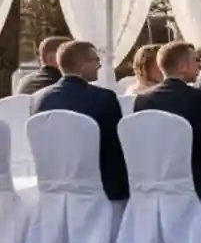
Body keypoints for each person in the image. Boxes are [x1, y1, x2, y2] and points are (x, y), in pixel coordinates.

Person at [31, 41, 128, 201]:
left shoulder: (38, 99)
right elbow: (113, 148)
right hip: (97, 187)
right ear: (82, 65)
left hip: (52, 186)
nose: (99, 65)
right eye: (96, 60)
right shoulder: (104, 98)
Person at [133, 41, 201, 200]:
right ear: (182, 66)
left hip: (155, 175)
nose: (200, 65)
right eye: (196, 60)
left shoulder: (142, 99)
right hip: (194, 178)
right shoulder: (199, 99)